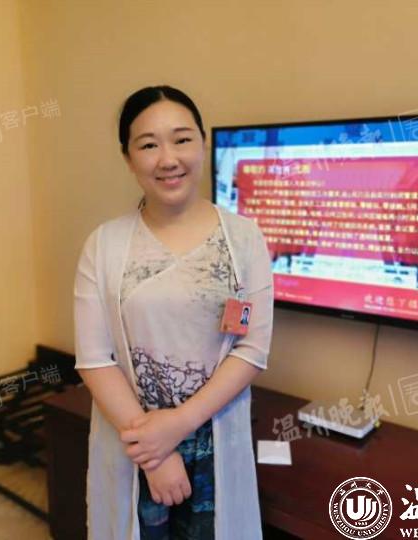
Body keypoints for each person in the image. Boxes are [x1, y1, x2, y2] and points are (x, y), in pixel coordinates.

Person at [73, 85, 274, 540]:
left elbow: (251, 348)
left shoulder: (244, 239)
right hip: (135, 445)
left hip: (214, 440)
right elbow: (94, 359)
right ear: (128, 157)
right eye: (149, 145)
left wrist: (179, 425)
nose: (168, 159)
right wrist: (157, 454)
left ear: (202, 142)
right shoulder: (103, 245)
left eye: (182, 139)